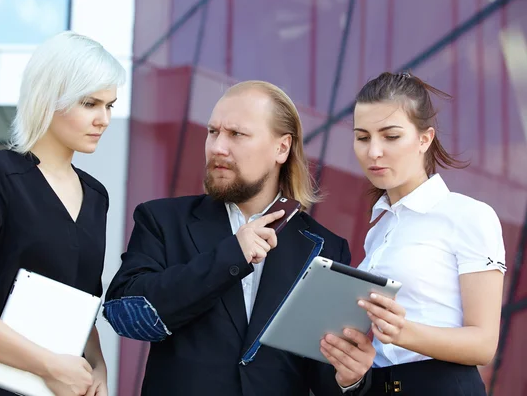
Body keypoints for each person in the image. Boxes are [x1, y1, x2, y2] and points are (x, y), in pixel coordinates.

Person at [104, 80, 375, 396]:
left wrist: (350, 378)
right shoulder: (161, 220)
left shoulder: (325, 247)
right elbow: (125, 314)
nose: (218, 146)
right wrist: (230, 256)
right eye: (213, 132)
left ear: (282, 148)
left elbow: (320, 373)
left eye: (236, 134)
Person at [0, 31, 126, 396]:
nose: (104, 119)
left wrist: (97, 366)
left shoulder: (96, 196)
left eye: (109, 105)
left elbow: (81, 301)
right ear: (49, 99)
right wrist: (49, 364)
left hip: (56, 387)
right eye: (90, 104)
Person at [349, 72, 506, 395]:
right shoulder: (379, 230)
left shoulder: (468, 216)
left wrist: (403, 332)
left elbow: (484, 344)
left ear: (425, 138)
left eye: (390, 136)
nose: (373, 151)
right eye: (363, 137)